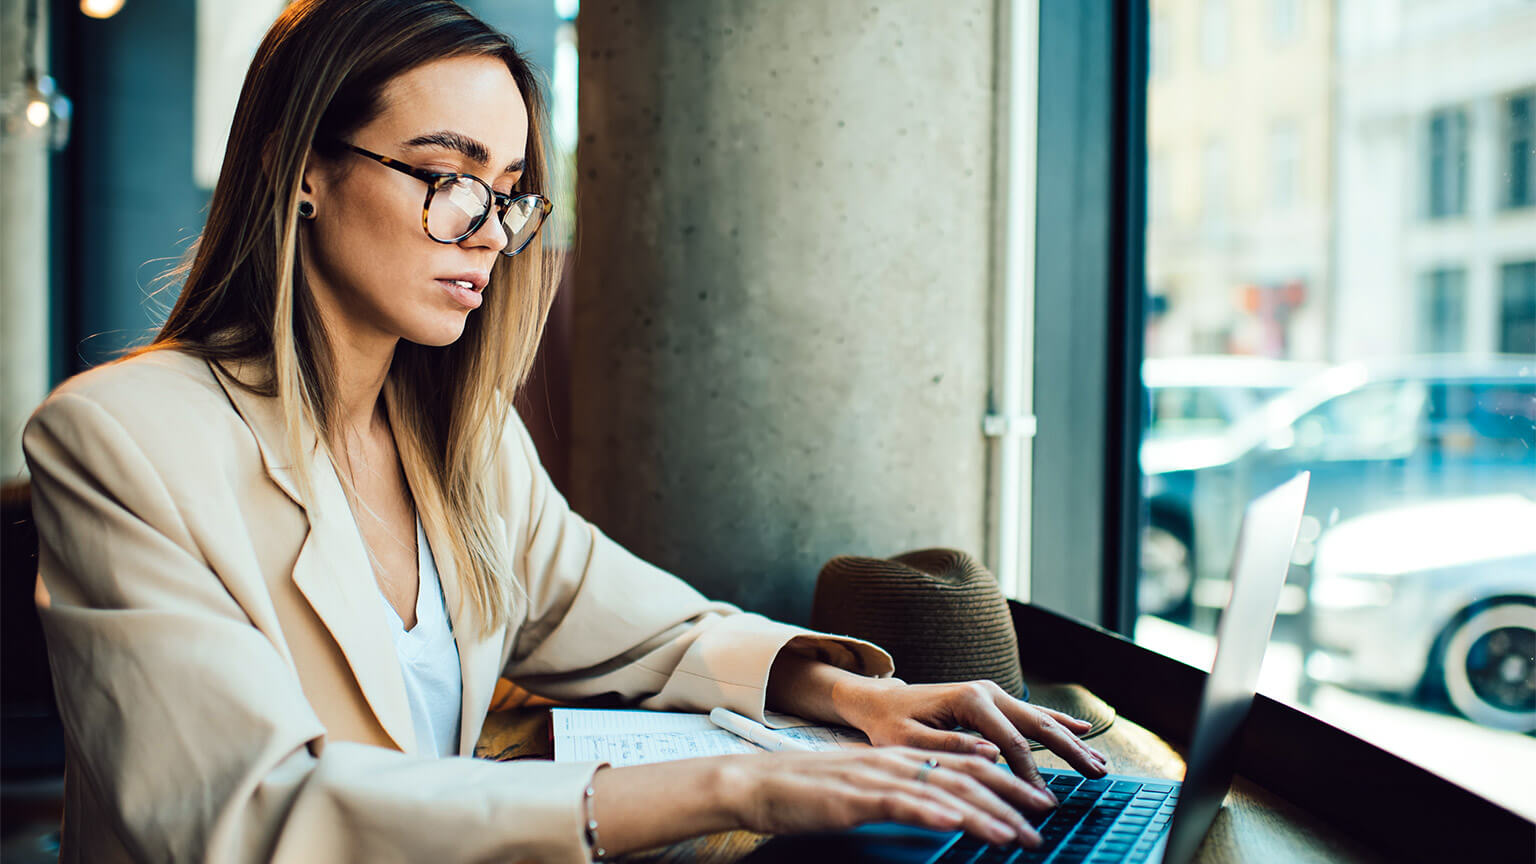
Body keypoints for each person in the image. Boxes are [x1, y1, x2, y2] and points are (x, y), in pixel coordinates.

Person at [23, 1, 1107, 861]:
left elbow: (653, 633)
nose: (489, 235)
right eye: (449, 178)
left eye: (509, 195)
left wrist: (856, 698)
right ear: (298, 169)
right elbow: (245, 813)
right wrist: (740, 784)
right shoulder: (121, 441)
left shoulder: (464, 443)